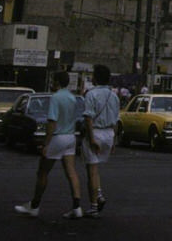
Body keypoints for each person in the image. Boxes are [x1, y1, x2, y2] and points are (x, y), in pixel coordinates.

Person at [15, 70, 85, 219]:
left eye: (54, 81)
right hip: (70, 136)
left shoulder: (56, 98)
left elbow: (52, 122)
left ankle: (34, 205)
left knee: (42, 172)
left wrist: (46, 143)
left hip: (58, 137)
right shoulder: (73, 98)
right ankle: (77, 206)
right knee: (71, 172)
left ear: (57, 82)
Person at [81, 64, 121, 217]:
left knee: (91, 171)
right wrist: (114, 141)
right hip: (109, 134)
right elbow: (117, 120)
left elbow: (88, 118)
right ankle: (98, 195)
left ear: (96, 77)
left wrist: (91, 138)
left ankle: (94, 204)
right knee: (96, 169)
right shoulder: (114, 96)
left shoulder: (91, 94)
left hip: (95, 133)